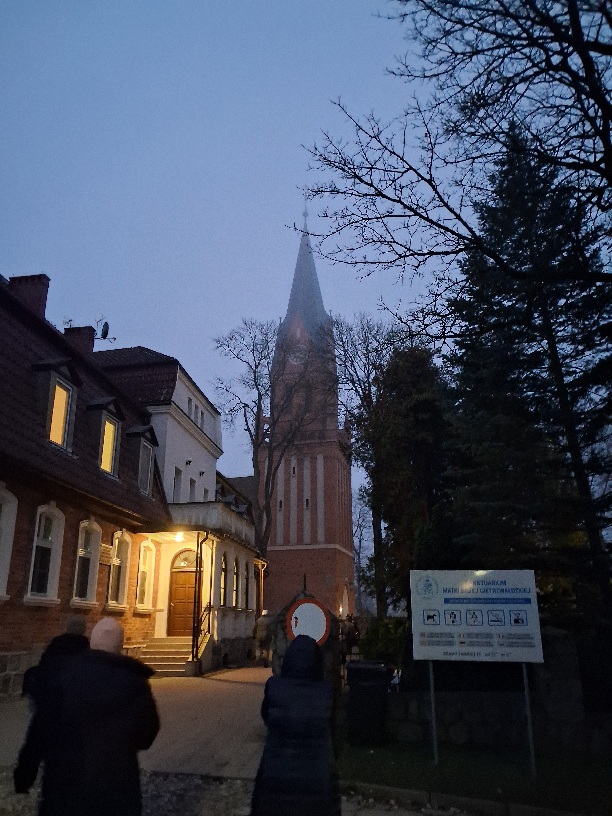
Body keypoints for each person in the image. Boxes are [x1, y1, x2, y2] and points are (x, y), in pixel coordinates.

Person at [14, 617, 160, 816]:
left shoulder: (65, 676)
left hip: (64, 786)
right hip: (116, 787)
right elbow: (147, 735)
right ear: (120, 646)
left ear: (91, 641)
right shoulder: (135, 683)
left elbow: (41, 730)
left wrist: (24, 774)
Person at [251, 634, 341, 816]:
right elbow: (332, 728)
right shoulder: (325, 692)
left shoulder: (274, 687)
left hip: (275, 776)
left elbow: (266, 716)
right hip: (315, 780)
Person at [22, 616, 89, 710]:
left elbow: (44, 665)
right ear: (83, 629)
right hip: (69, 698)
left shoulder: (56, 643)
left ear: (67, 627)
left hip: (48, 691)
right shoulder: (85, 648)